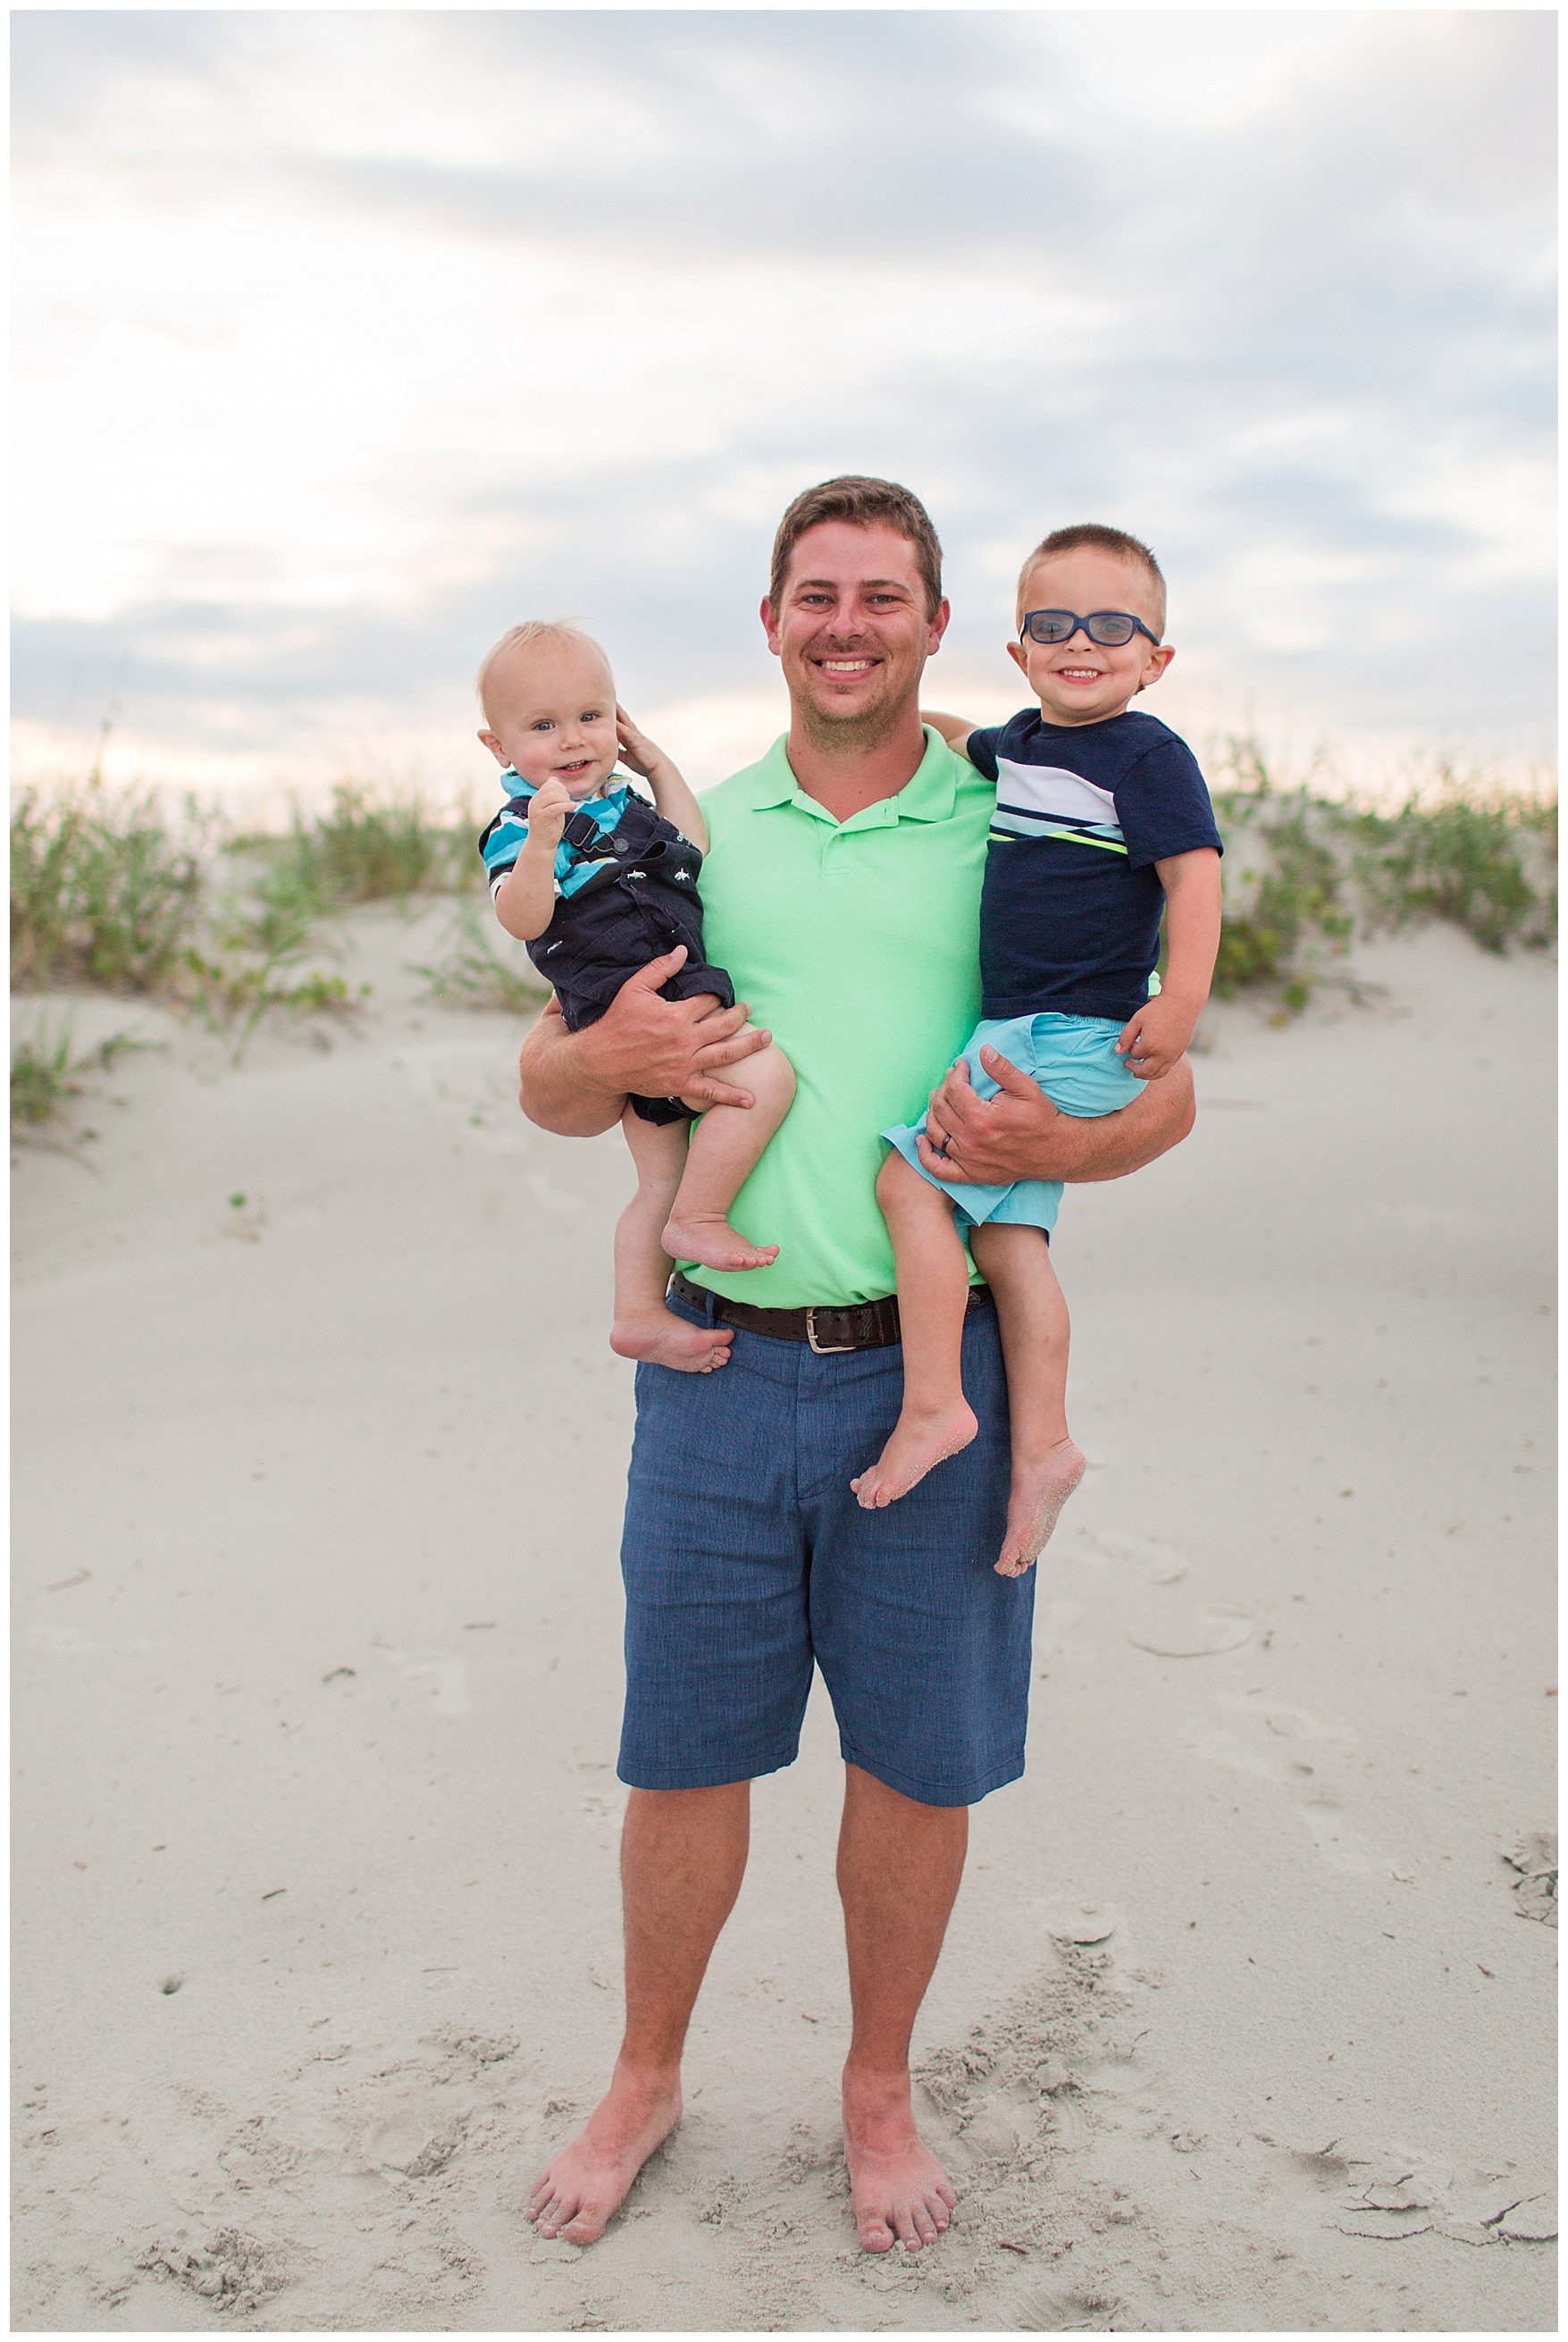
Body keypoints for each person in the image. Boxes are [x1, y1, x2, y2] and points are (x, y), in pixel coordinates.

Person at [515, 478, 1196, 2256]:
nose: (843, 622)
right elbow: (546, 1075)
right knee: (682, 1754)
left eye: (880, 594)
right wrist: (615, 1049)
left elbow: (1165, 1081)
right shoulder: (683, 820)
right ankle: (646, 2068)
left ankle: (875, 2084)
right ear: (767, 622)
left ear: (931, 621)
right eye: (812, 592)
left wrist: (1081, 1136)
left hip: (933, 1365)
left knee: (916, 1760)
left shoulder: (1022, 806)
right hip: (717, 1368)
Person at [853, 525, 1223, 1574]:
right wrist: (896, 709)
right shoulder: (1024, 740)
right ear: (1019, 649)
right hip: (1025, 1025)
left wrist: (1183, 997)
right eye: (1051, 624)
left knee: (909, 1185)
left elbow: (1192, 878)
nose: (1081, 643)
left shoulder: (1147, 753)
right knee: (1013, 1245)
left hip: (1069, 1026)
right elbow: (971, 736)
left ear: (1155, 657)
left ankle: (934, 1406)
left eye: (1114, 627)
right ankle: (1046, 1443)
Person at [477, 619, 795, 1372]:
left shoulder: (626, 804)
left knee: (656, 1172)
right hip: (626, 999)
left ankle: (636, 1312)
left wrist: (655, 764)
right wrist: (542, 846)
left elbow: (692, 843)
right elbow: (520, 916)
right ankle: (700, 1215)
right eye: (543, 725)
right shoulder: (517, 825)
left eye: (591, 717)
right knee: (766, 1075)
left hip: (657, 989)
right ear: (497, 746)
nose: (571, 740)